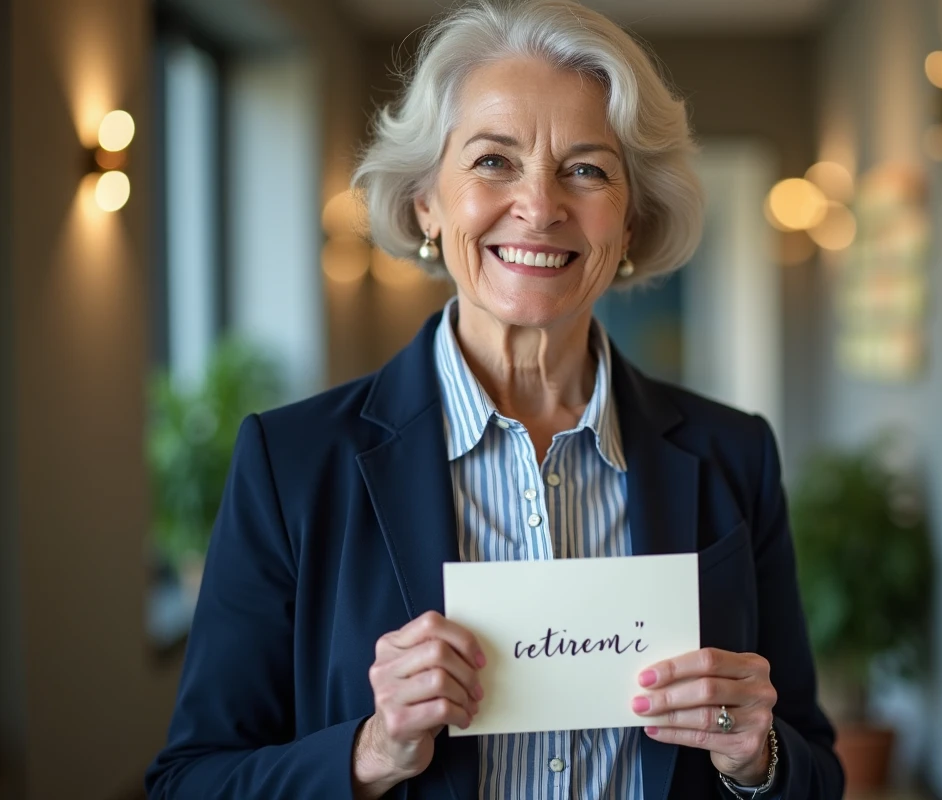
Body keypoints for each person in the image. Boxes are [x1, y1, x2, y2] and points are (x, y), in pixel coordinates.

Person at [144, 1, 844, 798]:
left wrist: (757, 757)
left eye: (586, 168)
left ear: (632, 220)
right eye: (492, 161)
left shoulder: (734, 455)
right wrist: (370, 753)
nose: (540, 206)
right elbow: (190, 782)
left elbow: (816, 770)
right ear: (425, 205)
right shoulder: (292, 464)